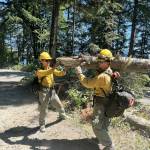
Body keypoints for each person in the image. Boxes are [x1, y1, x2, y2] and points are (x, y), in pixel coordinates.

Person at [75, 49, 120, 150]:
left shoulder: (103, 76)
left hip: (101, 104)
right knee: (104, 123)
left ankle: (109, 146)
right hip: (108, 104)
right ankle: (101, 138)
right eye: (98, 60)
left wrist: (79, 73)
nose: (99, 62)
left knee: (96, 126)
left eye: (101, 61)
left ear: (108, 62)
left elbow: (87, 83)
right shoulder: (110, 72)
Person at [35, 51, 69, 132]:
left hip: (52, 91)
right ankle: (42, 125)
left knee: (59, 104)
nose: (48, 61)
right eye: (46, 60)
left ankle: (62, 115)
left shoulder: (51, 69)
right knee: (44, 109)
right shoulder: (39, 71)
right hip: (43, 92)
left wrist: (65, 69)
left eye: (49, 60)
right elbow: (48, 72)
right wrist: (55, 66)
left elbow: (60, 73)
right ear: (42, 61)